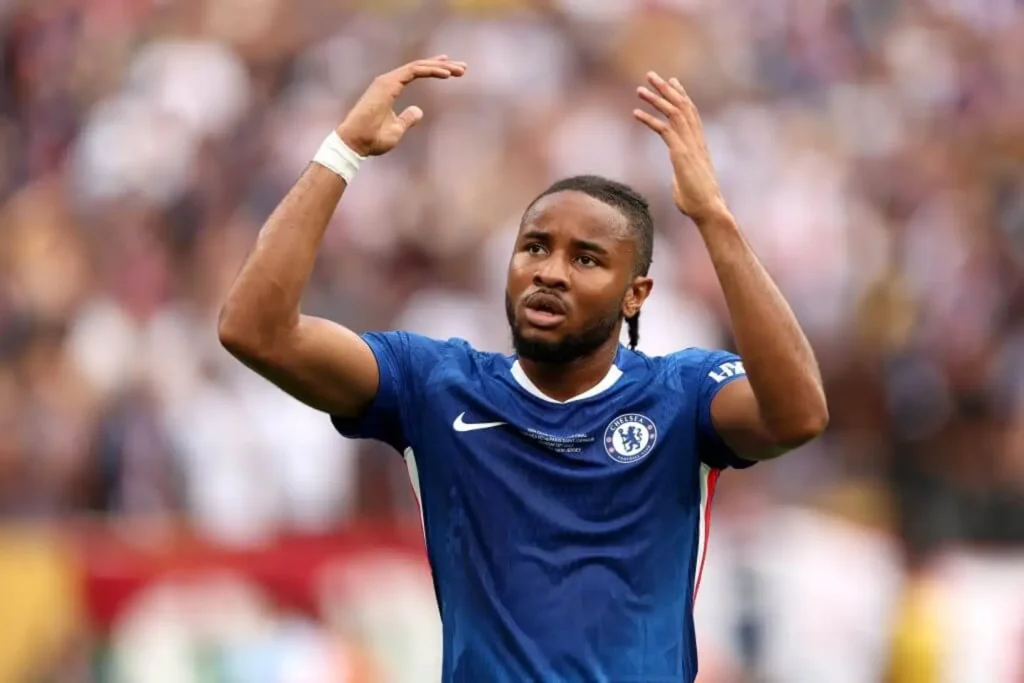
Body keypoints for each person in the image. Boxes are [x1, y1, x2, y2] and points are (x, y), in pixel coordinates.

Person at [218, 56, 828, 682]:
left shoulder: (682, 395)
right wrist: (343, 151)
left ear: (635, 295)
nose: (551, 272)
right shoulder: (435, 385)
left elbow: (799, 414)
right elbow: (254, 330)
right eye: (534, 247)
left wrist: (714, 219)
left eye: (586, 259)